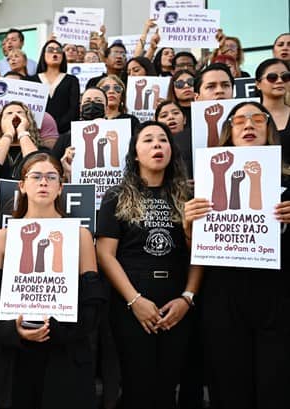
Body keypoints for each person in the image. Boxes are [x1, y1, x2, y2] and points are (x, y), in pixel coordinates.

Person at [183, 101, 290, 409]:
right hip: (224, 298)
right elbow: (197, 253)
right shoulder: (204, 180)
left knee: (276, 387)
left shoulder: (288, 179)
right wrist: (190, 226)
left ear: (270, 130)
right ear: (228, 132)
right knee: (228, 387)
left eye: (258, 119)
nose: (249, 125)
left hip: (278, 299)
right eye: (240, 120)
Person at [0, 152, 104, 409]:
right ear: (22, 186)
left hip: (64, 355)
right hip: (16, 358)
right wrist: (15, 330)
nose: (43, 182)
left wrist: (59, 330)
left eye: (51, 177)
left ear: (61, 187)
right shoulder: (1, 237)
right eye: (35, 176)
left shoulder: (80, 236)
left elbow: (93, 299)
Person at [96, 121, 202, 409]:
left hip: (177, 302)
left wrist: (187, 298)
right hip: (131, 302)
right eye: (148, 140)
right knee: (137, 387)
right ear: (135, 154)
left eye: (163, 140)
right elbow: (105, 254)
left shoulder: (190, 197)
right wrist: (134, 301)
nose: (157, 145)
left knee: (167, 387)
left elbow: (201, 253)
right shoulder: (116, 196)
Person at [0, 101, 46, 210]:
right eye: (9, 113)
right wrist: (8, 134)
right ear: (0, 122)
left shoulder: (42, 151)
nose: (15, 116)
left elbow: (38, 167)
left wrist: (22, 132)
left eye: (20, 112)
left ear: (28, 121)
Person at [28, 40, 80, 135]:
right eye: (50, 50)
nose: (55, 53)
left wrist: (56, 126)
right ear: (43, 54)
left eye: (59, 50)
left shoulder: (72, 80)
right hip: (37, 133)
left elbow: (74, 109)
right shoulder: (31, 80)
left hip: (65, 133)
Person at [255, 58, 290, 163]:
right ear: (258, 84)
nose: (279, 81)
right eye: (272, 77)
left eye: (285, 76)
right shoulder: (247, 118)